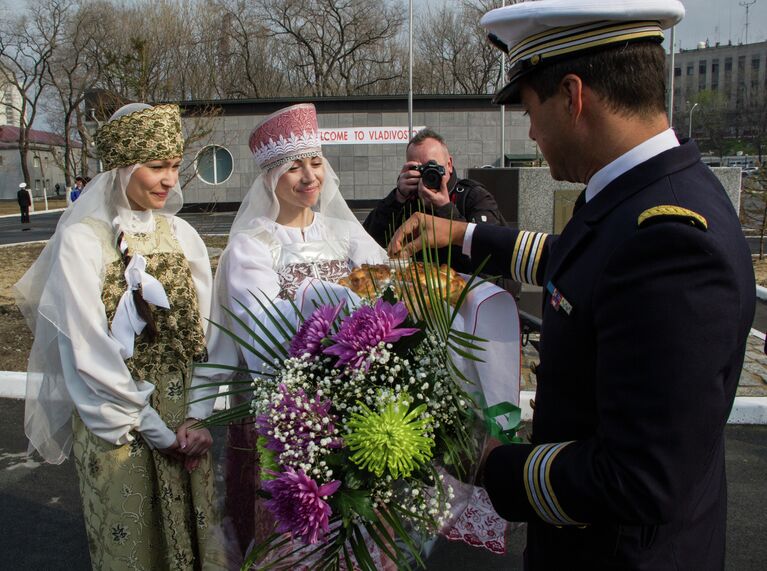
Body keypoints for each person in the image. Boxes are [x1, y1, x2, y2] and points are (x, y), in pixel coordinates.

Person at [388, 1, 756, 569]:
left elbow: (639, 479)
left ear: (573, 96)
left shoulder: (673, 239)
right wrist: (460, 235)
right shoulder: (639, 195)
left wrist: (491, 465)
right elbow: (576, 264)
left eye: (531, 110)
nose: (531, 132)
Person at [15, 103, 226, 569]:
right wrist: (154, 428)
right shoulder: (83, 241)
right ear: (122, 168)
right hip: (120, 424)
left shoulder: (184, 236)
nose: (170, 179)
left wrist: (197, 418)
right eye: (156, 167)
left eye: (174, 165)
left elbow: (207, 335)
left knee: (196, 542)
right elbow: (86, 350)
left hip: (185, 422)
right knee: (134, 546)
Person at [213, 102, 389, 559]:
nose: (309, 177)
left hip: (359, 405)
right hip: (291, 414)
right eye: (294, 167)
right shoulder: (253, 245)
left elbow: (391, 290)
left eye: (315, 163)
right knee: (299, 542)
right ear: (271, 177)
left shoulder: (344, 233)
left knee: (357, 534)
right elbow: (264, 335)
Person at [363, 128, 505, 272]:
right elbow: (367, 242)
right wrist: (397, 198)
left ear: (449, 164)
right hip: (414, 287)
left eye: (433, 168)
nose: (427, 176)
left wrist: (445, 208)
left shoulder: (473, 197)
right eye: (418, 169)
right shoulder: (405, 200)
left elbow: (491, 252)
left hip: (461, 288)